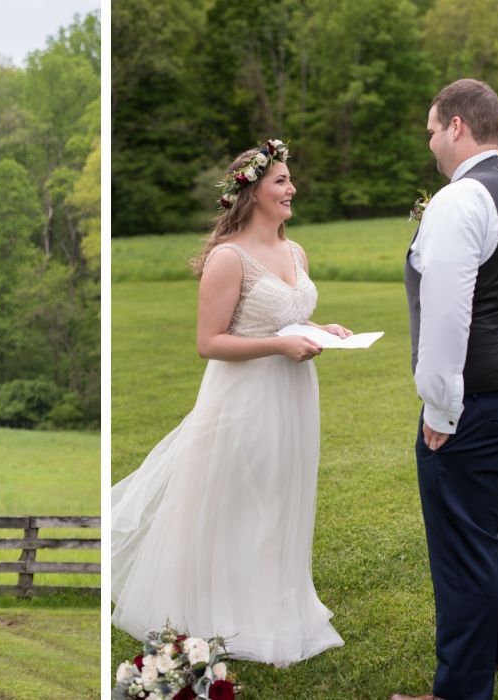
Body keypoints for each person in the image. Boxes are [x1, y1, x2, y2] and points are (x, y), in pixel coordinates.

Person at [110, 139, 349, 667]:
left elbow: (285, 317)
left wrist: (318, 329)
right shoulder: (228, 257)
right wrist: (280, 345)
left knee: (282, 496)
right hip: (243, 397)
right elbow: (210, 342)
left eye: (289, 179)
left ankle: (277, 601)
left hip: (293, 396)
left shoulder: (295, 251)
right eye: (281, 181)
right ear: (253, 191)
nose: (292, 188)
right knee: (240, 502)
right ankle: (226, 612)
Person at [392, 78, 498, 700]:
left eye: (432, 132)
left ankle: (461, 691)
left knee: (466, 550)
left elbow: (448, 314)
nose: (431, 145)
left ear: (458, 128)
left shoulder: (461, 200)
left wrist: (442, 408)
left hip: (476, 407)